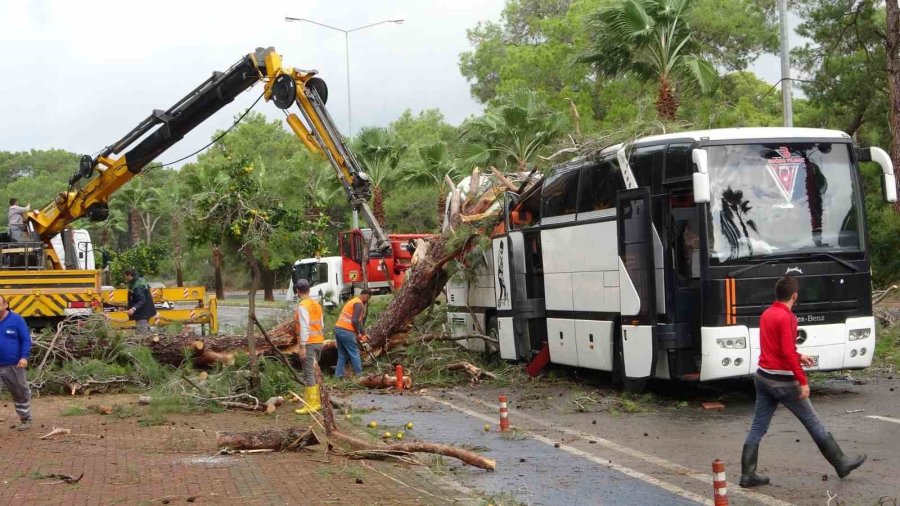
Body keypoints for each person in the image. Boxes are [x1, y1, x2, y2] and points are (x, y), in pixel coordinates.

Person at [740, 276, 866, 488]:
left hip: (762, 377)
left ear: (777, 294)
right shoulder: (788, 317)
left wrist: (799, 356)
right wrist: (803, 381)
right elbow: (787, 351)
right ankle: (841, 462)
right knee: (813, 422)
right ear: (795, 295)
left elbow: (779, 348)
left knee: (758, 426)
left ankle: (747, 474)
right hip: (782, 381)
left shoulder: (767, 314)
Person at [0, 295, 33, 430]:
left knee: (20, 392)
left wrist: (24, 357)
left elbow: (25, 339)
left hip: (14, 365)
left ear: (5, 304)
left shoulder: (16, 320)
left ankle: (25, 418)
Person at [293, 279, 325, 414]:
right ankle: (316, 401)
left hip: (309, 343)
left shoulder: (302, 306)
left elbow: (305, 327)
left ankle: (311, 404)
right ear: (309, 290)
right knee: (314, 371)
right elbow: (322, 324)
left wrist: (302, 346)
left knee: (308, 373)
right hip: (319, 341)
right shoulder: (316, 304)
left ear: (297, 291)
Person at [333, 289, 371, 378]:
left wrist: (364, 333)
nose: (367, 300)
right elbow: (354, 321)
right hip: (347, 330)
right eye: (368, 298)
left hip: (339, 328)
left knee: (342, 355)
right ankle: (359, 376)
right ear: (365, 296)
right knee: (355, 353)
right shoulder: (359, 304)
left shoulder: (353, 301)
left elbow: (357, 322)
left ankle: (338, 376)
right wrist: (358, 334)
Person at [123, 268, 157, 333]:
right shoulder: (139, 280)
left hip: (142, 314)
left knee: (142, 334)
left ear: (129, 275)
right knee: (145, 332)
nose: (124, 277)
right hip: (145, 311)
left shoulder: (137, 286)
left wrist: (133, 309)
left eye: (125, 276)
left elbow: (142, 300)